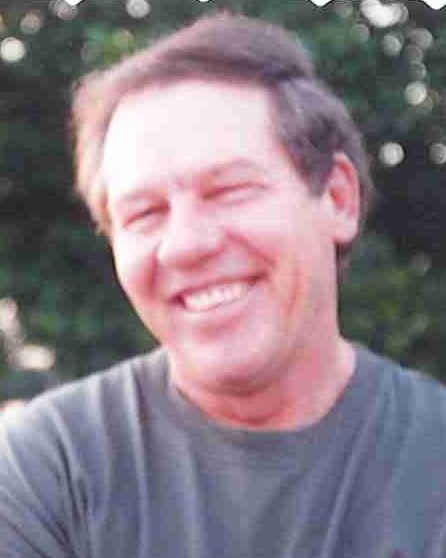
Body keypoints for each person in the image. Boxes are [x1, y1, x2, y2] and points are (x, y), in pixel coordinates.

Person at [1, 13, 446, 558]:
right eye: (144, 213)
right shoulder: (48, 471)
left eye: (229, 189)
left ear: (337, 199)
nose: (185, 245)